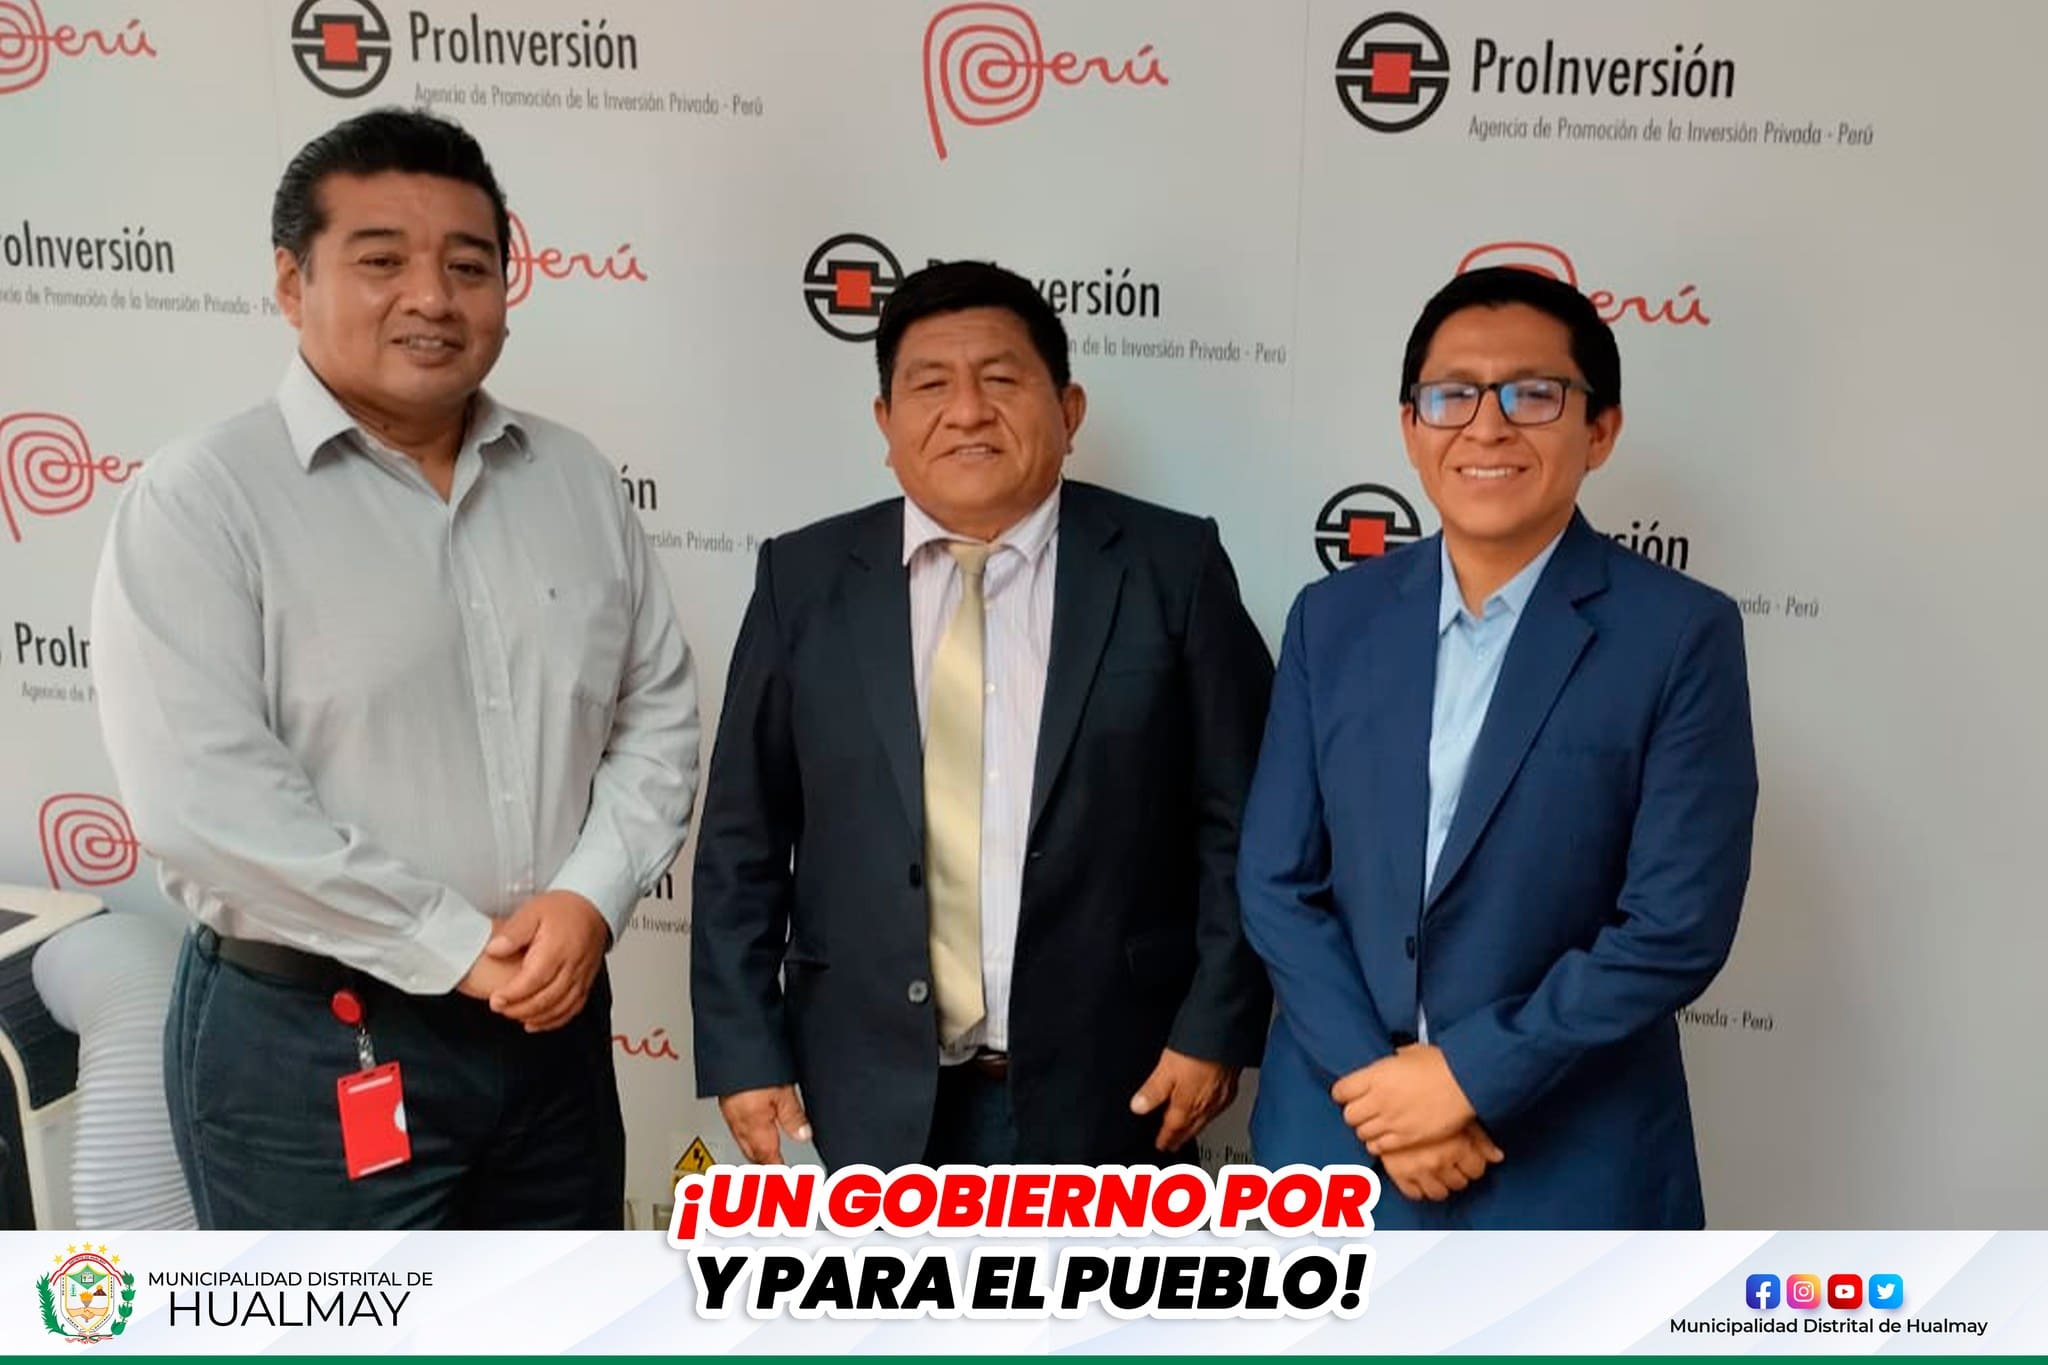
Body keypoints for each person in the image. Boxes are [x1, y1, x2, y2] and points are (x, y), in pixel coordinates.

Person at [91, 108, 700, 1228]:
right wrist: (453, 947)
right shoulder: (205, 498)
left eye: (468, 266)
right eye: (382, 262)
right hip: (313, 1043)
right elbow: (204, 802)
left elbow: (654, 708)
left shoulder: (571, 478)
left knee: (565, 1312)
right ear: (292, 282)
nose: (432, 297)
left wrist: (591, 894)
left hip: (550, 1028)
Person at [691, 260, 1273, 1168]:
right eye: (930, 385)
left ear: (1069, 411)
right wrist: (743, 1048)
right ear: (885, 422)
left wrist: (1215, 1026)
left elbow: (1245, 822)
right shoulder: (801, 581)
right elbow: (743, 838)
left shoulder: (1172, 567)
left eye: (1001, 379)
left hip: (1116, 1086)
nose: (966, 410)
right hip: (869, 1086)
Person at [1239, 265, 1758, 1228]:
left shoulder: (1680, 633)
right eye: (1453, 396)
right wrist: (1382, 1093)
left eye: (1532, 393)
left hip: (1567, 1157)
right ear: (1411, 427)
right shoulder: (1332, 619)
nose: (1487, 426)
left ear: (1599, 430)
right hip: (1339, 1140)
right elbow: (1276, 882)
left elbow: (1674, 923)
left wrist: (1465, 1078)